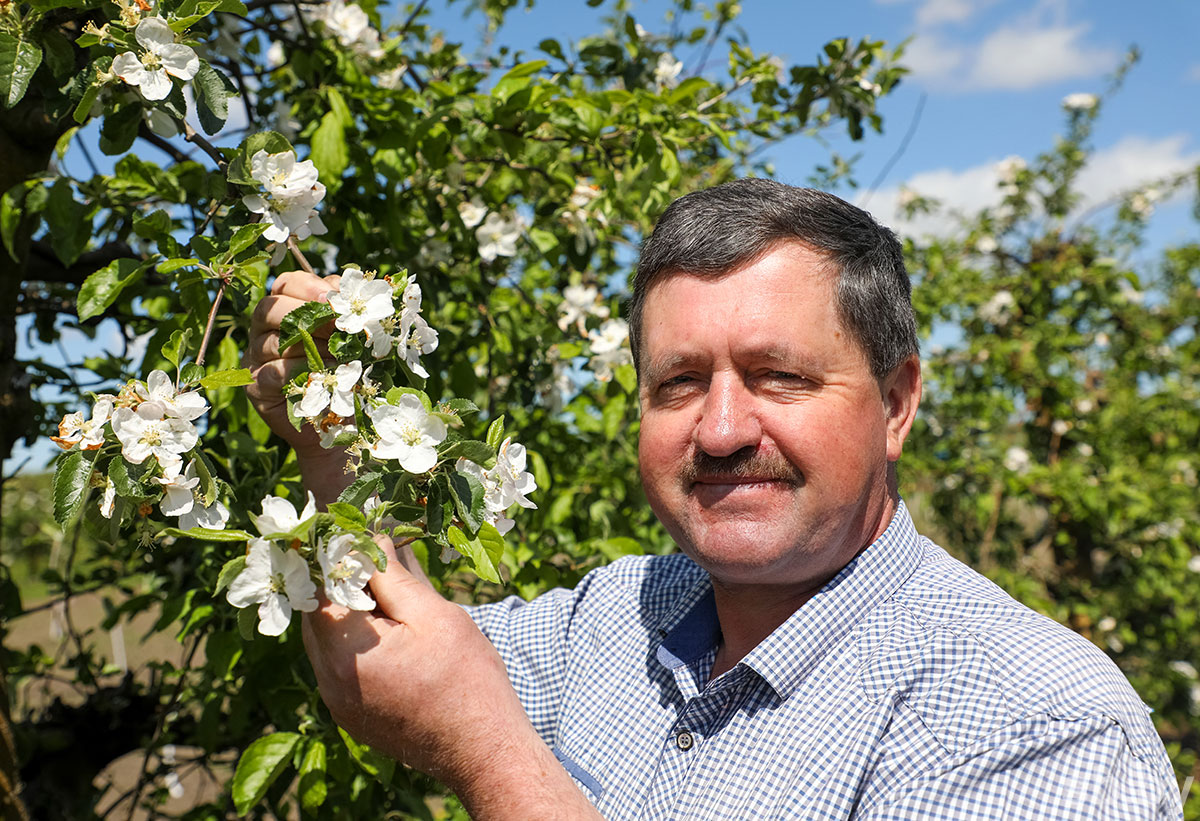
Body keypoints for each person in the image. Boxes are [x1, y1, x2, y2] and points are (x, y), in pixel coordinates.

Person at [245, 180, 1184, 819]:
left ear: (897, 404)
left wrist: (493, 758)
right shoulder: (617, 615)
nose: (723, 429)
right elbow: (397, 662)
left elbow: (460, 714)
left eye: (779, 376)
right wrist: (328, 435)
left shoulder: (1024, 724)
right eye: (679, 382)